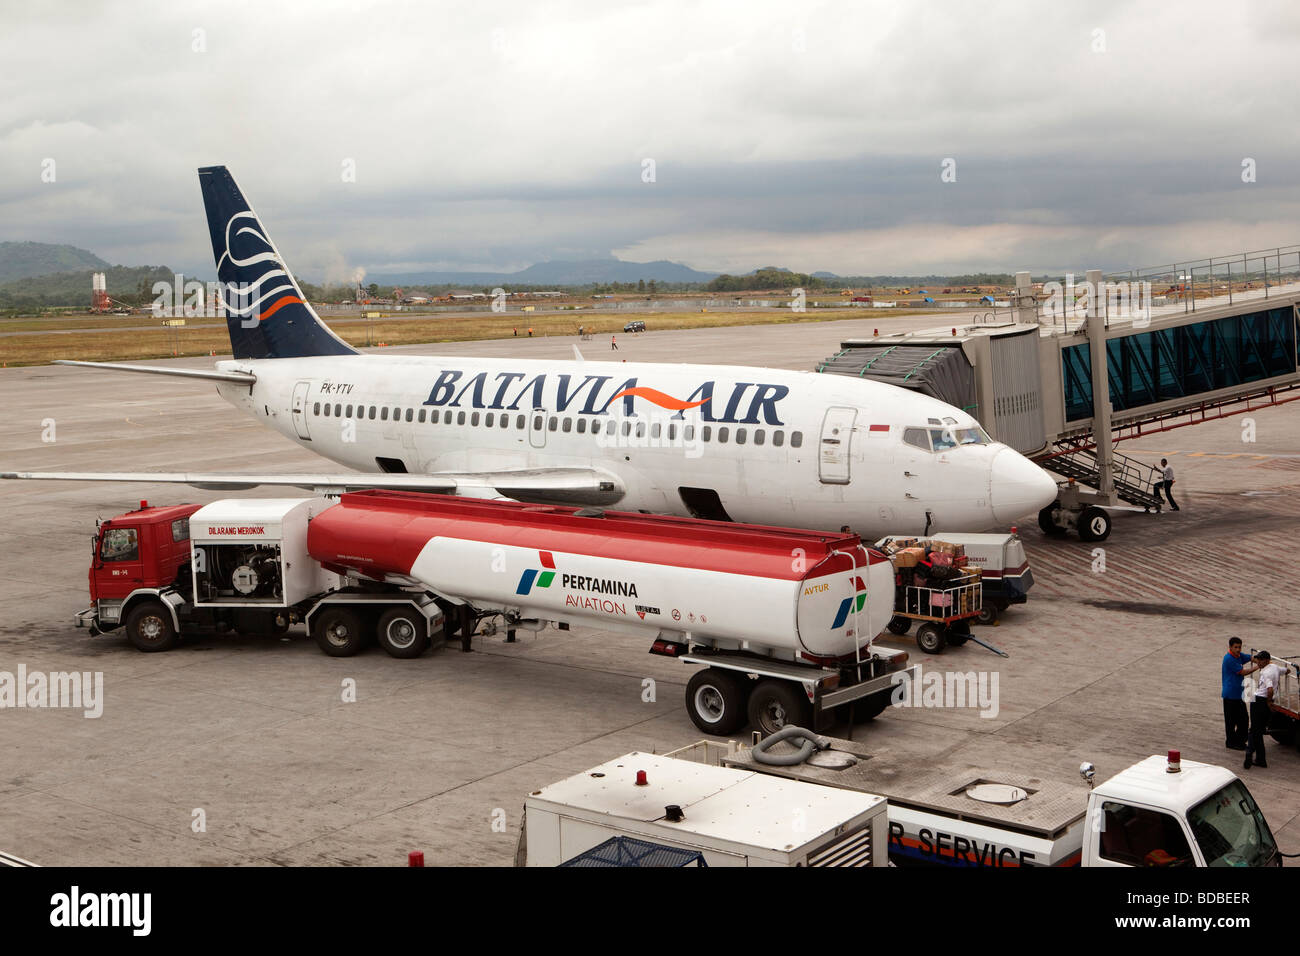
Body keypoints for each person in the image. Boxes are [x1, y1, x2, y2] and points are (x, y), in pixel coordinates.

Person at [1245, 651, 1280, 769]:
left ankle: (1254, 755)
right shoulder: (1275, 667)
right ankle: (1258, 757)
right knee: (1257, 730)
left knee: (1254, 731)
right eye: (1258, 660)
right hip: (1264, 702)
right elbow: (1286, 671)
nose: (1258, 662)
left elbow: (1270, 690)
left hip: (1259, 701)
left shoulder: (1266, 673)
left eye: (1260, 660)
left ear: (1267, 660)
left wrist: (1269, 701)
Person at [1221, 637, 1251, 750]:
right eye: (1236, 647)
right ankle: (1232, 742)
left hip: (1238, 694)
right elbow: (1242, 672)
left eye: (1239, 647)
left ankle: (1239, 741)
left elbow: (1248, 657)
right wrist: (1259, 666)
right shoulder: (1229, 659)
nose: (1238, 649)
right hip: (1231, 695)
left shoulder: (1238, 656)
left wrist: (1258, 659)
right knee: (1231, 721)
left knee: (1243, 719)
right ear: (1230, 647)